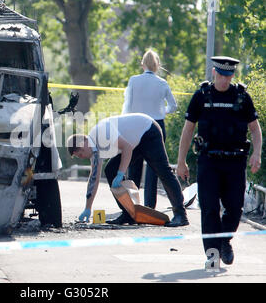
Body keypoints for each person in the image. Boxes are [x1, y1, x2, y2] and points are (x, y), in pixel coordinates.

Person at [176, 56, 262, 266]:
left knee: (235, 208)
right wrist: (181, 161)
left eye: (229, 75)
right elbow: (188, 130)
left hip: (235, 163)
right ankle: (212, 254)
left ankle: (224, 240)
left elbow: (255, 129)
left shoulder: (241, 97)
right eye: (221, 75)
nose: (224, 80)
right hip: (209, 162)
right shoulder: (201, 96)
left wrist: (257, 153)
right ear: (214, 73)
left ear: (233, 75)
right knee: (210, 209)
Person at [66, 113, 189, 227]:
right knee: (110, 170)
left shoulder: (102, 133)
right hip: (133, 142)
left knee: (163, 171)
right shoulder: (94, 154)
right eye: (79, 156)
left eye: (81, 152)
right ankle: (128, 214)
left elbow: (127, 148)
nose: (82, 156)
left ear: (85, 141)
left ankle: (180, 215)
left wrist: (120, 174)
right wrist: (88, 208)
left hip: (148, 131)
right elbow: (93, 179)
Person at [122, 49, 177, 209]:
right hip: (157, 125)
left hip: (136, 125)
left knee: (134, 166)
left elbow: (128, 105)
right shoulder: (162, 83)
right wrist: (162, 111)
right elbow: (173, 106)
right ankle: (149, 207)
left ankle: (132, 206)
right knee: (155, 168)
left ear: (142, 64)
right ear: (157, 65)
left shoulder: (133, 80)